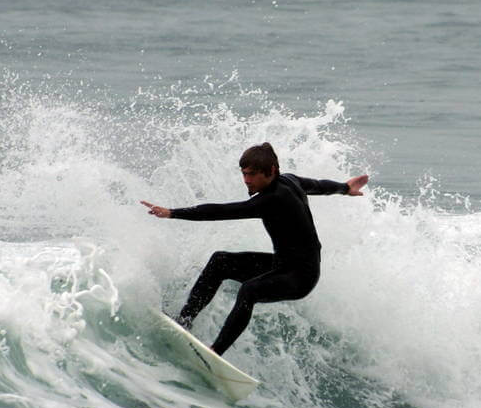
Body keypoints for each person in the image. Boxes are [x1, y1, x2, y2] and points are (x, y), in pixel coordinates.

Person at [141, 142, 368, 355]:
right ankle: (185, 321)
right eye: (244, 173)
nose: (246, 180)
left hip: (300, 277)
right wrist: (345, 188)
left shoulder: (273, 198)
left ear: (270, 171)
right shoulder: (289, 180)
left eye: (252, 175)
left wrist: (173, 213)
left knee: (250, 290)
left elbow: (223, 212)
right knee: (220, 261)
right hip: (282, 265)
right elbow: (319, 186)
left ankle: (215, 352)